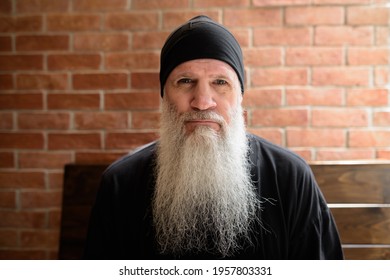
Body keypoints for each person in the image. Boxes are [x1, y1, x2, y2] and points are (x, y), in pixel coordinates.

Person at [84, 15, 344, 260]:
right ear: (164, 96)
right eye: (185, 81)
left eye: (220, 83)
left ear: (239, 96)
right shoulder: (120, 184)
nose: (203, 102)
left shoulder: (290, 177)